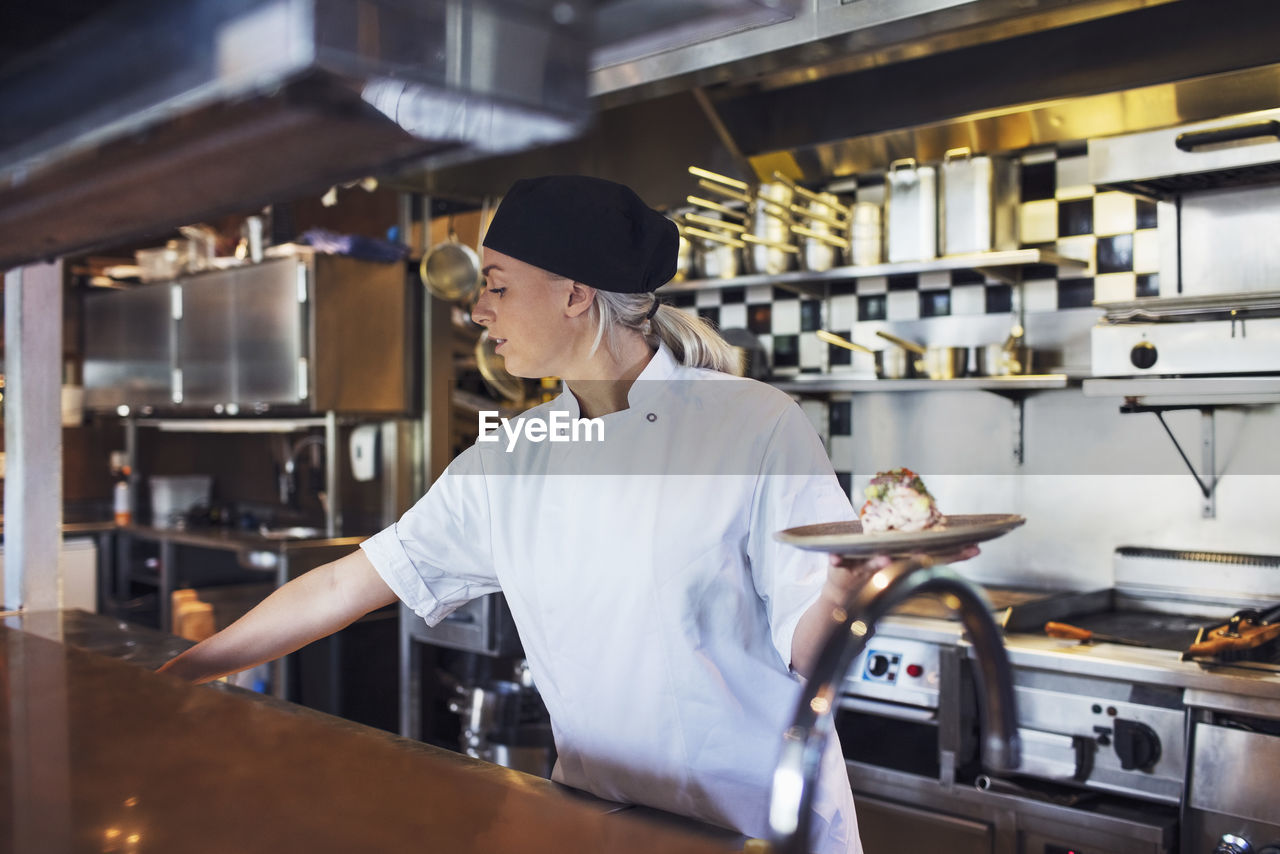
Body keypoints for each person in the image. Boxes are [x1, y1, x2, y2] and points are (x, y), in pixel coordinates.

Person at [160, 175, 902, 853]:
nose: (479, 311)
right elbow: (348, 583)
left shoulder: (752, 426)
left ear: (575, 294)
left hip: (752, 832)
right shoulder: (513, 456)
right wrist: (179, 677)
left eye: (498, 287)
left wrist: (844, 593)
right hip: (592, 826)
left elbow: (815, 654)